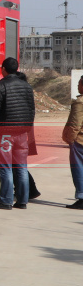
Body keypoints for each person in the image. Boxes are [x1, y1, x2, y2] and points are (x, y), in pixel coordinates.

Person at [0, 57, 36, 209]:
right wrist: (27, 127)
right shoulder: (27, 87)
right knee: (21, 167)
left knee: (6, 167)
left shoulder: (0, 86)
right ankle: (22, 201)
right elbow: (32, 110)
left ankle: (6, 201)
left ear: (3, 69)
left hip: (5, 133)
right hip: (22, 132)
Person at [61, 76, 83, 209]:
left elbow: (75, 124)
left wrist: (70, 139)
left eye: (80, 83)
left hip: (79, 141)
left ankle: (81, 197)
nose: (78, 86)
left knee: (79, 169)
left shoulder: (80, 102)